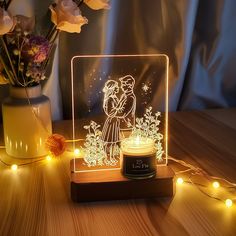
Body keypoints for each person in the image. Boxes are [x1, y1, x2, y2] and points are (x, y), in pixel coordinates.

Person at [101, 80, 120, 164]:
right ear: (112, 88)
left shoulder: (115, 97)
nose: (118, 88)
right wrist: (117, 110)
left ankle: (111, 157)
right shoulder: (110, 99)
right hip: (111, 122)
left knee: (113, 142)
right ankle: (106, 157)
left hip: (115, 121)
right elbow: (109, 112)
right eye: (116, 87)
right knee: (108, 141)